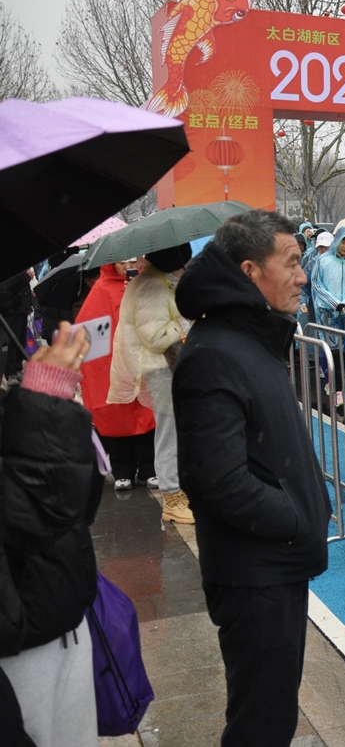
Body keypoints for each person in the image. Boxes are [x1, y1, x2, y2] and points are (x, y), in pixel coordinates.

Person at [172, 209, 332, 747]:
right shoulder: (215, 353)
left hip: (272, 564)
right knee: (261, 723)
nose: (302, 276)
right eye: (292, 262)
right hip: (254, 573)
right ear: (249, 270)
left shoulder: (250, 339)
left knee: (272, 713)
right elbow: (215, 479)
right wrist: (295, 519)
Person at [0, 320, 100, 747]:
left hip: (61, 614)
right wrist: (45, 403)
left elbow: (75, 507)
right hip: (19, 645)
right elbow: (28, 514)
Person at [108, 242, 195, 524]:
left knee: (177, 428)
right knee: (169, 431)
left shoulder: (158, 281)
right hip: (162, 369)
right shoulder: (151, 287)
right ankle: (172, 496)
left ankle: (180, 489)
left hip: (169, 368)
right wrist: (184, 323)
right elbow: (156, 337)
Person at [75, 260, 157, 491]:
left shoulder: (147, 283)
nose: (127, 265)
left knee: (146, 415)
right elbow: (89, 332)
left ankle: (149, 469)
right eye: (122, 262)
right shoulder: (101, 289)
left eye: (131, 261)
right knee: (117, 418)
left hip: (142, 363)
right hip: (112, 367)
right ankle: (123, 471)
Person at [311, 226, 345, 404]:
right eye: (343, 242)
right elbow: (317, 284)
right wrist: (335, 303)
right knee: (332, 350)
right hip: (327, 311)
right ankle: (335, 387)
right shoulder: (323, 260)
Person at [0, 270, 33, 380]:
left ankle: (18, 368)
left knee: (21, 341)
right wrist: (26, 277)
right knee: (12, 342)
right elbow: (8, 286)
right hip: (12, 311)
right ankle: (10, 372)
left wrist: (28, 305)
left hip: (22, 309)